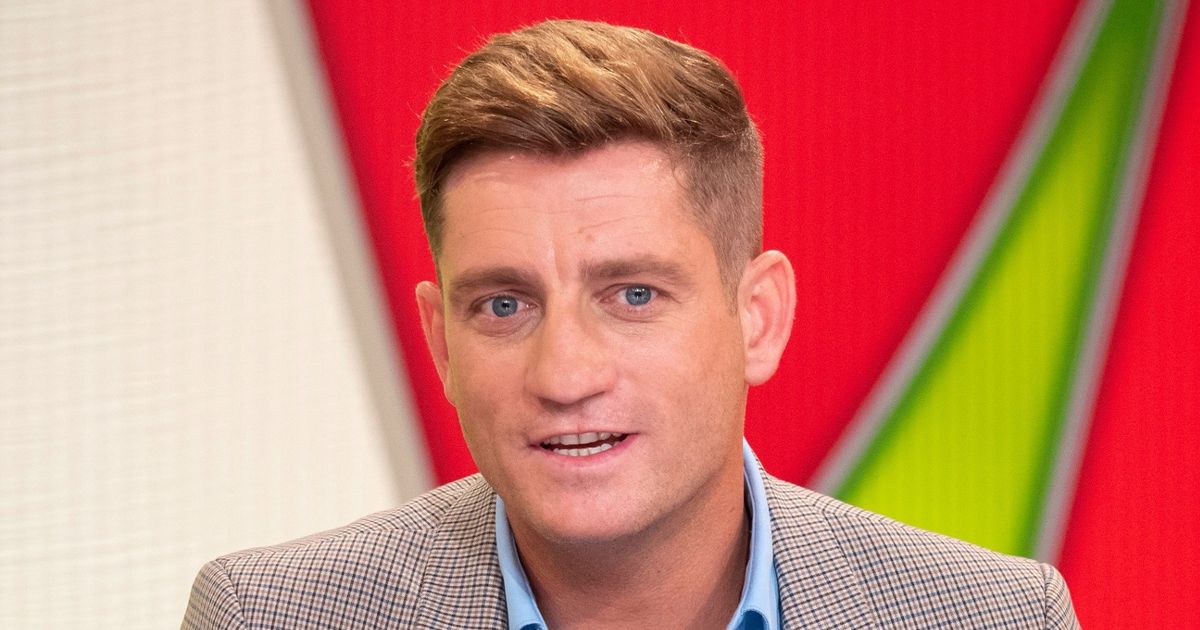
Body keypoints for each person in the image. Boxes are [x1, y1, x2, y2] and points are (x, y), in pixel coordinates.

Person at [184, 19, 1079, 629]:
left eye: (633, 296)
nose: (564, 375)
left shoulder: (995, 618)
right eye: (504, 305)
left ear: (758, 318)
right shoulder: (268, 617)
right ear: (441, 343)